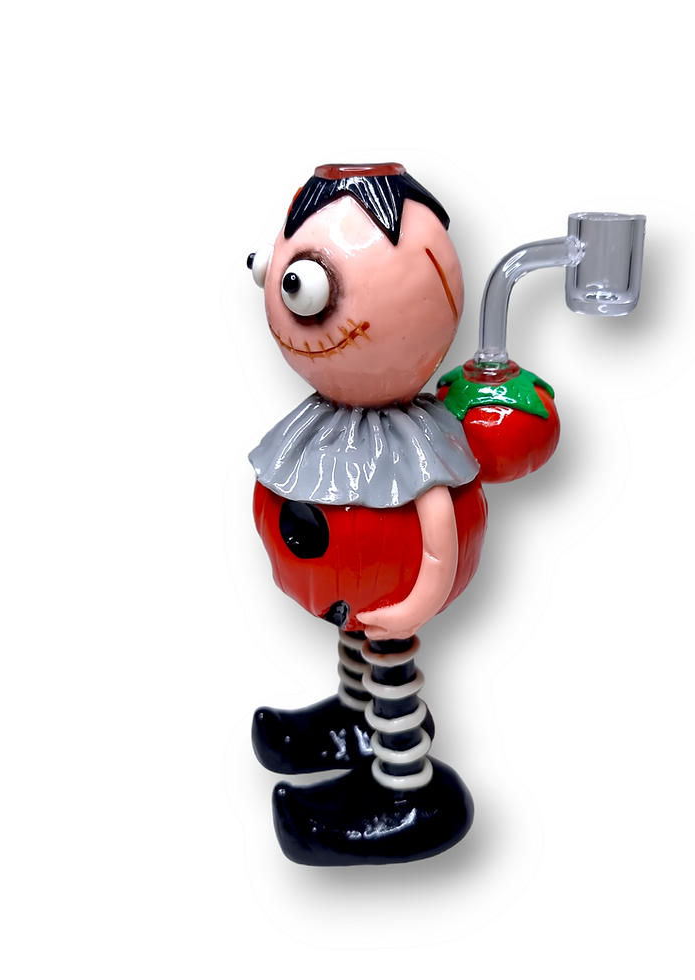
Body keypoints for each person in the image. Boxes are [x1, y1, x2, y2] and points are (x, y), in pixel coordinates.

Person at [247, 163, 486, 865]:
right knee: (357, 642)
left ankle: (404, 782)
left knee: (389, 658)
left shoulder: (412, 444)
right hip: (352, 599)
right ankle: (355, 720)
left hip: (391, 603)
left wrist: (417, 602)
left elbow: (437, 529)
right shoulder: (321, 425)